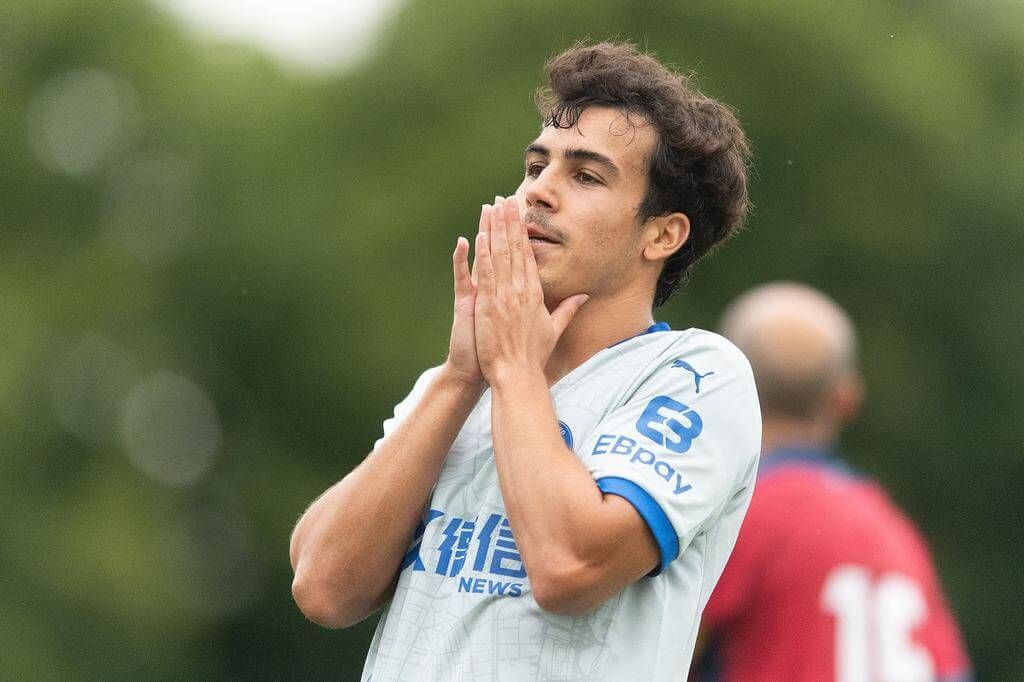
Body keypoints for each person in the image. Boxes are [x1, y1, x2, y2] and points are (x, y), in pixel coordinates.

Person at [289, 41, 761, 682]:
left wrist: (510, 369)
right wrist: (462, 378)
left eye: (586, 176)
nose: (539, 192)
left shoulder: (697, 375)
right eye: (537, 166)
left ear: (662, 234)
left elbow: (569, 568)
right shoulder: (457, 383)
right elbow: (323, 588)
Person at [694, 282, 973, 682]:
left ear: (725, 384)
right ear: (847, 398)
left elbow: (654, 649)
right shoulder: (892, 529)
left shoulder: (733, 512)